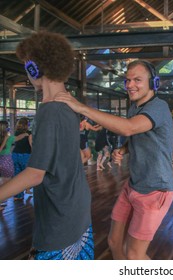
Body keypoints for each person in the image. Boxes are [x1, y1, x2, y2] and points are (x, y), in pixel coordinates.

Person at [55, 59, 173, 260]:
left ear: (154, 83)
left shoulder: (158, 106)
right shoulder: (134, 108)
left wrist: (81, 107)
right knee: (113, 242)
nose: (130, 85)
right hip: (134, 185)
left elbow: (129, 127)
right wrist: (123, 149)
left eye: (137, 80)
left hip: (155, 189)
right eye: (127, 80)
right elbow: (138, 134)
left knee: (134, 255)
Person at [0, 31, 93, 259]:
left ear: (34, 68)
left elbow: (34, 175)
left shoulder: (49, 110)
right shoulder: (70, 106)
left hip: (59, 213)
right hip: (76, 206)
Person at [0, 121, 29, 209]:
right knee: (6, 182)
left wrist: (24, 134)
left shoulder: (9, 138)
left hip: (4, 161)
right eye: (8, 127)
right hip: (6, 160)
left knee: (3, 181)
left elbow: (18, 137)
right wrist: (5, 140)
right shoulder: (7, 138)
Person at [12, 117, 33, 199]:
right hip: (25, 155)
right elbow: (31, 145)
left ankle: (17, 195)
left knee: (17, 176)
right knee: (27, 174)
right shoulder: (29, 133)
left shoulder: (16, 133)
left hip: (15, 154)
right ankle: (27, 189)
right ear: (26, 125)